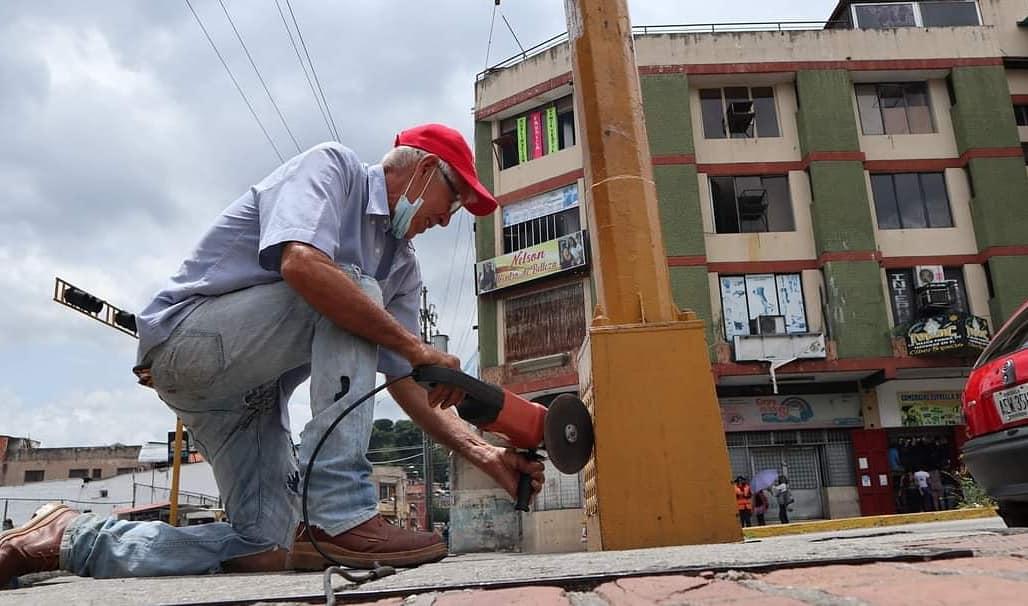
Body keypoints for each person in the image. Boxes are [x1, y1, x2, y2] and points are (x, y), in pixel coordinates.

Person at [0, 125, 545, 585]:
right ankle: (339, 510)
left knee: (265, 548)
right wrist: (412, 345)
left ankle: (68, 537)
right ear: (425, 169)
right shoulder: (334, 170)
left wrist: (486, 454)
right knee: (351, 286)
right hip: (191, 345)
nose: (449, 219)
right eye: (454, 199)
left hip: (250, 402)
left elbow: (406, 379)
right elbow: (301, 265)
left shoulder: (402, 268)